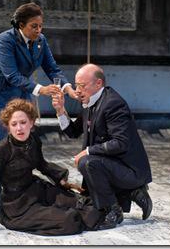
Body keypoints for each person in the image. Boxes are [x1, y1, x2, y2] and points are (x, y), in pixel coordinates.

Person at [0, 2, 77, 215]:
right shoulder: (5, 39)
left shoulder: (41, 41)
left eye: (41, 26)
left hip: (18, 95)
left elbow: (52, 68)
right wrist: (42, 90)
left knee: (18, 149)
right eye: (34, 26)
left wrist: (67, 87)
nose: (39, 30)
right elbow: (11, 75)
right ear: (21, 25)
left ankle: (12, 202)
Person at [0, 99, 104, 236]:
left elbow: (41, 164)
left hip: (37, 190)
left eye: (23, 122)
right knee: (69, 220)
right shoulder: (0, 150)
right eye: (14, 124)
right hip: (18, 206)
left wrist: (62, 181)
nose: (19, 128)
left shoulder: (34, 140)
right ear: (8, 126)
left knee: (88, 205)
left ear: (31, 123)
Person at [52, 63, 153, 230]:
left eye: (82, 86)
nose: (77, 90)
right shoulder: (90, 101)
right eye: (76, 85)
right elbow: (72, 132)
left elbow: (121, 142)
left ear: (98, 83)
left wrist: (88, 151)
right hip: (112, 164)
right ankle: (133, 192)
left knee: (87, 162)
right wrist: (60, 110)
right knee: (87, 194)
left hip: (130, 170)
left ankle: (113, 210)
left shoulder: (113, 104)